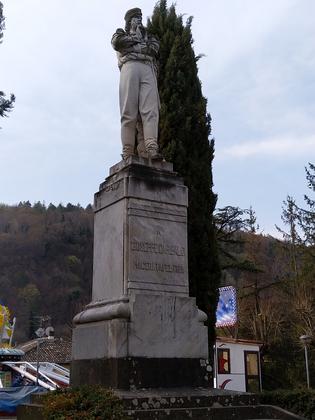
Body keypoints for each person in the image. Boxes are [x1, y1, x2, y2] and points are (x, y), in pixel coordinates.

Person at [111, 8, 161, 160]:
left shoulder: (149, 36)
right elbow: (117, 43)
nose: (139, 20)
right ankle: (127, 152)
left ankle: (151, 149)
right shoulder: (121, 34)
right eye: (135, 18)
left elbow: (154, 48)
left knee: (150, 111)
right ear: (129, 21)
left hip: (147, 68)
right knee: (128, 112)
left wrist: (132, 47)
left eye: (140, 18)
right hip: (130, 67)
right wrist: (138, 43)